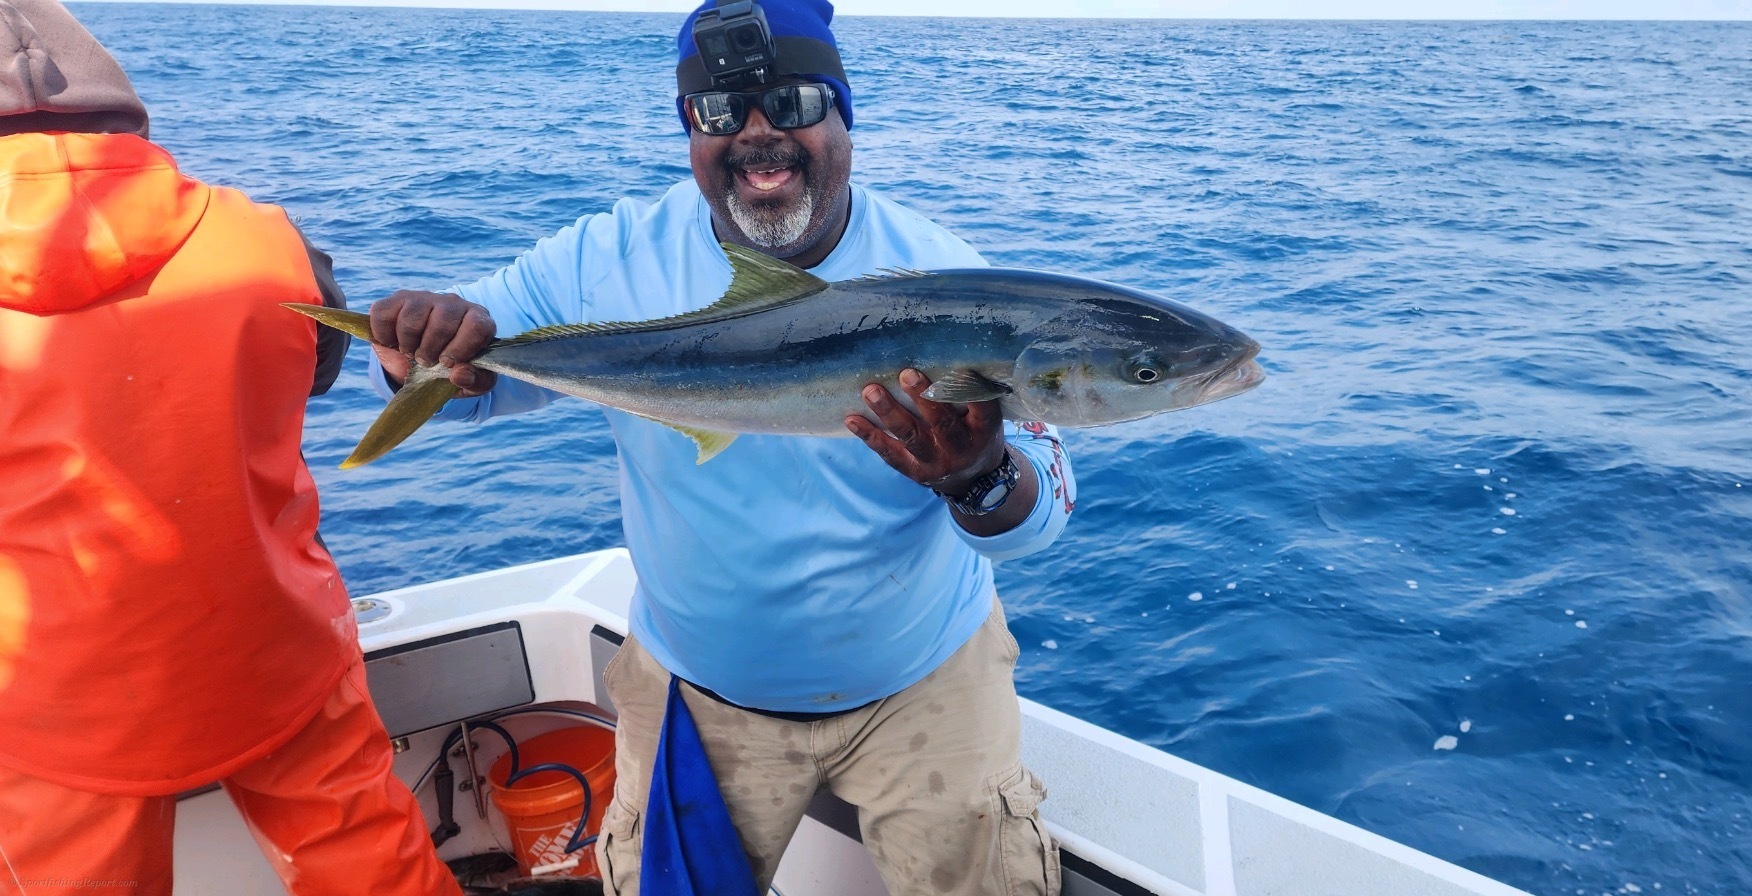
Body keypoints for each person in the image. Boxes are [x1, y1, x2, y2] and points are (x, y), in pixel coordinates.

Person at [365, 1, 1073, 892]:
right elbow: (468, 387)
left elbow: (1044, 504)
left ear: (844, 114)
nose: (758, 135)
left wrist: (979, 477)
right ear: (689, 131)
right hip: (698, 691)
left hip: (924, 682)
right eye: (718, 112)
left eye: (794, 103)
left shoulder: (944, 280)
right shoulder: (604, 258)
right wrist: (412, 359)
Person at [0, 2, 460, 894]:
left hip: (55, 703)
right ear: (120, 110)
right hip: (276, 649)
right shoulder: (271, 241)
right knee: (379, 869)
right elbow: (316, 370)